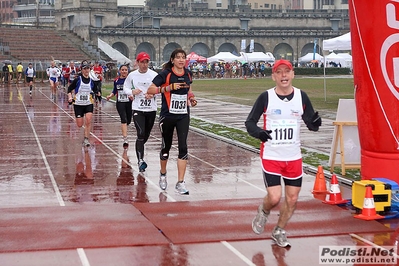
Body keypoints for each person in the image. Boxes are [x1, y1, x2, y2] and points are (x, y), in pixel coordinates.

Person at [245, 59, 321, 247]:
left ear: (293, 74)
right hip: (272, 155)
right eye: (279, 72)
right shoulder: (266, 97)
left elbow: (310, 122)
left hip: (293, 157)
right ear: (274, 77)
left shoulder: (301, 97)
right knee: (274, 197)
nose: (283, 75)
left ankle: (279, 229)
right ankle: (263, 211)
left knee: (293, 198)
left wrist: (315, 124)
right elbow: (250, 123)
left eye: (286, 71)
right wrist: (259, 133)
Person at [147, 48, 197, 195]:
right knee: (166, 147)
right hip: (168, 116)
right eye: (178, 57)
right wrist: (168, 88)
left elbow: (189, 88)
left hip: (183, 115)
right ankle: (163, 174)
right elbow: (150, 90)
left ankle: (180, 182)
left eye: (183, 57)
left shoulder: (188, 73)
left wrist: (191, 98)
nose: (181, 60)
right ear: (172, 60)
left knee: (183, 146)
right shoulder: (165, 74)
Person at [123, 52, 158, 172]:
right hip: (138, 108)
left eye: (146, 62)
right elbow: (125, 87)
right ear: (137, 63)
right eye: (142, 62)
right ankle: (140, 160)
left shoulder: (154, 75)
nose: (144, 64)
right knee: (141, 133)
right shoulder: (132, 75)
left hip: (151, 109)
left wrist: (153, 93)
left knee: (145, 135)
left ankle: (139, 146)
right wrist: (132, 92)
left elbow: (161, 88)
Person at [67, 60, 97, 147]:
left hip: (88, 103)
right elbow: (69, 89)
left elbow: (95, 90)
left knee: (88, 120)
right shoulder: (77, 80)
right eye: (85, 69)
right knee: (80, 124)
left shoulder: (92, 81)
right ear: (82, 70)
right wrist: (70, 97)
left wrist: (97, 93)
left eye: (88, 68)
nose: (86, 70)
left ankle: (86, 139)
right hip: (78, 104)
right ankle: (85, 133)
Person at [106, 64, 131, 148]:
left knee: (128, 120)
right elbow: (114, 90)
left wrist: (132, 95)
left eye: (125, 70)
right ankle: (125, 138)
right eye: (122, 70)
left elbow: (134, 90)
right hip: (120, 103)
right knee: (123, 119)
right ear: (119, 71)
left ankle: (125, 130)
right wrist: (110, 95)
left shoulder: (130, 80)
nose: (124, 71)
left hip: (129, 103)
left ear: (128, 71)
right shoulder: (116, 81)